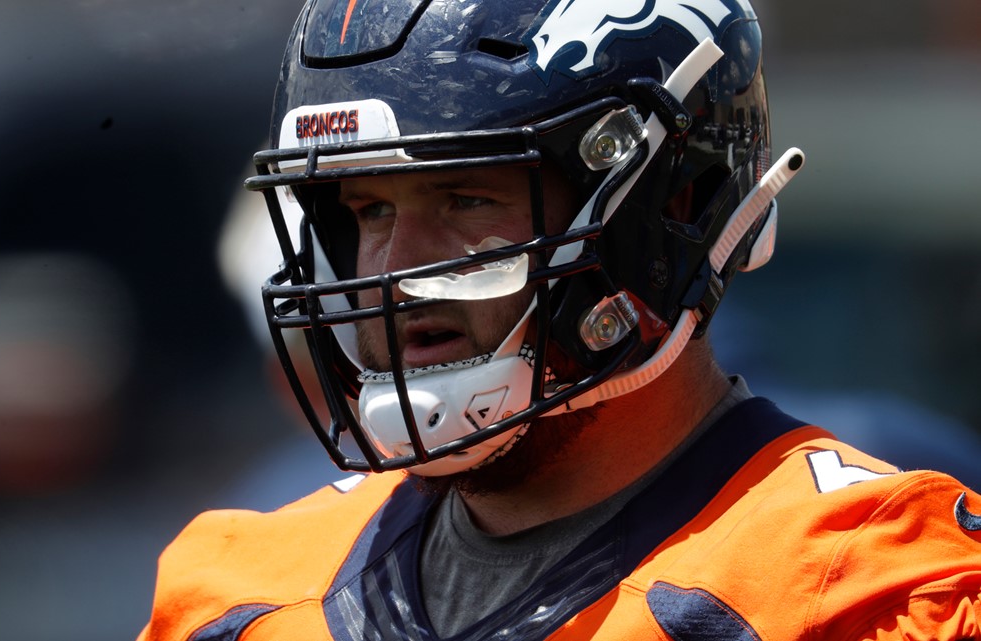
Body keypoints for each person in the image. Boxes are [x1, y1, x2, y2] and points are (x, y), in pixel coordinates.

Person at [139, 0, 981, 639]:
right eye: (366, 209)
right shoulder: (236, 590)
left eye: (465, 198)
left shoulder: (868, 583)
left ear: (668, 205)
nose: (394, 271)